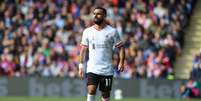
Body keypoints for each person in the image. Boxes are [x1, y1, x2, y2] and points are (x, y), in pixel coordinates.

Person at [78, 7, 125, 101]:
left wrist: (121, 62)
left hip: (106, 69)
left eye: (98, 13)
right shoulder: (87, 31)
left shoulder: (112, 31)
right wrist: (81, 66)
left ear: (104, 16)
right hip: (92, 68)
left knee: (105, 95)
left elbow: (121, 48)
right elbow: (83, 49)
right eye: (94, 13)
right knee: (91, 90)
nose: (95, 15)